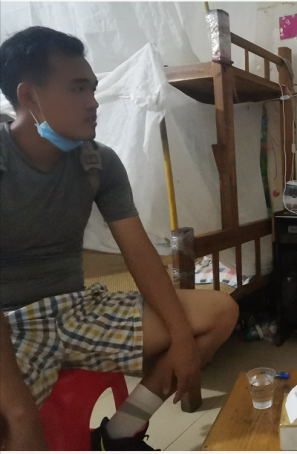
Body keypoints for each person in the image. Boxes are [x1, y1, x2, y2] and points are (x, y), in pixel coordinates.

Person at [0, 26, 239, 450]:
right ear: (29, 96)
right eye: (78, 88)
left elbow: (139, 253)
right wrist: (18, 407)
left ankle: (119, 434)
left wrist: (182, 338)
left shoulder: (98, 163)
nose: (93, 102)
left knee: (219, 311)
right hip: (9, 322)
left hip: (75, 309)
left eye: (92, 88)